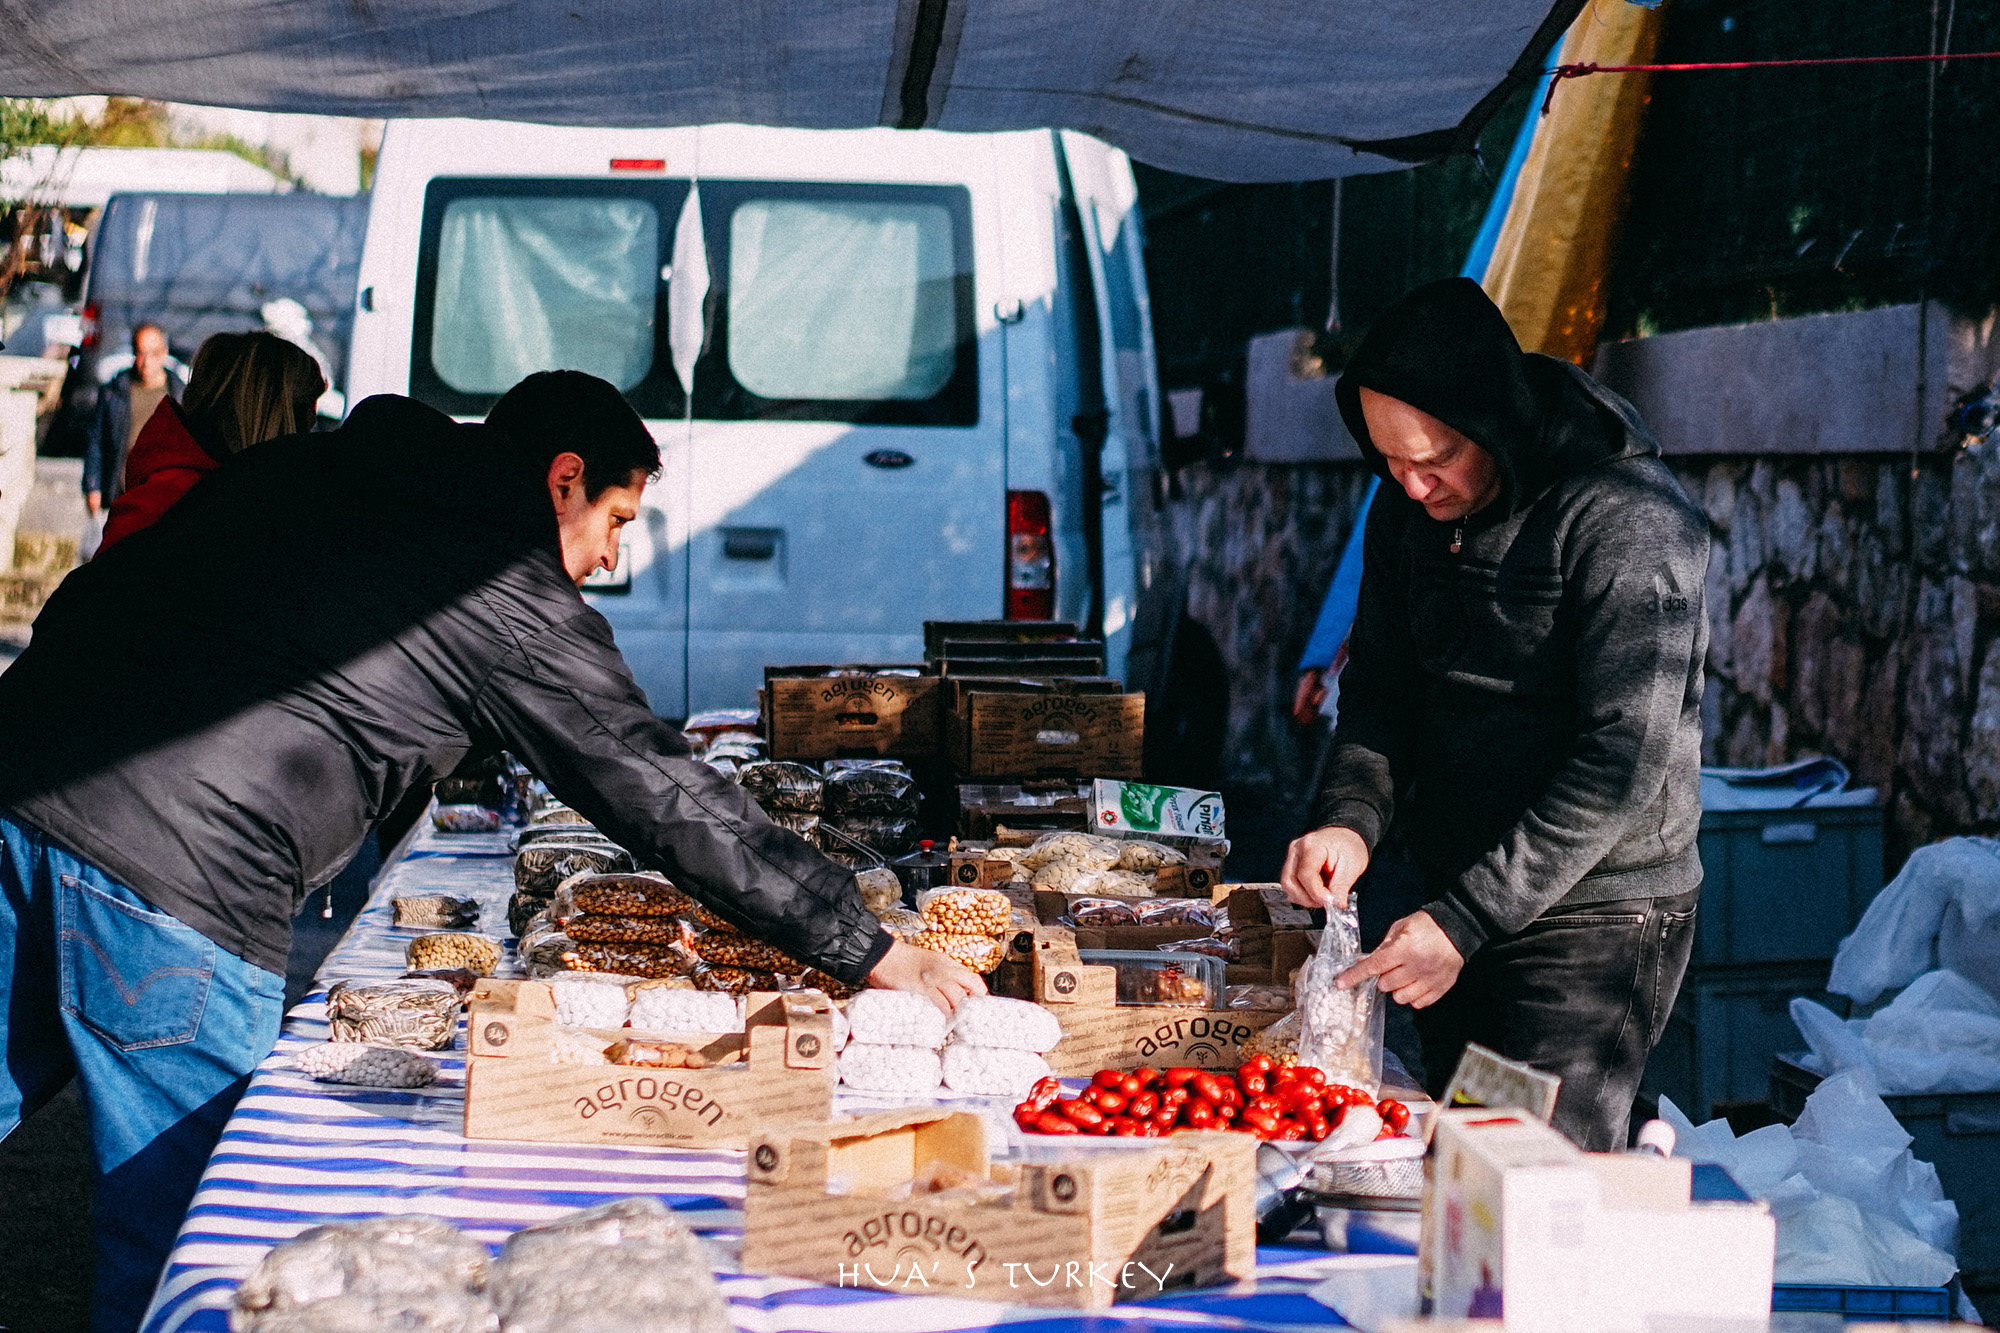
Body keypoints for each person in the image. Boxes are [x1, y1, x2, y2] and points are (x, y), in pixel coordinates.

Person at [0, 370, 983, 1331]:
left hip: (21, 779)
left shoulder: (312, 467)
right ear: (562, 480)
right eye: (615, 521)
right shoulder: (504, 589)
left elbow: (117, 579)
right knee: (188, 1237)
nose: (608, 556)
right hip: (178, 874)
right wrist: (872, 947)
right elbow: (658, 787)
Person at [1278, 278, 1709, 1151]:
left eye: (1434, 459)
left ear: (1493, 424)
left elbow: (1624, 759)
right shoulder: (1405, 506)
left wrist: (1467, 920)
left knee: (1532, 1177)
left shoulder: (1625, 517)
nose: (1412, 483)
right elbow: (1383, 691)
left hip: (1594, 917)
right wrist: (1348, 819)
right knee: (1456, 1161)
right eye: (1389, 460)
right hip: (1453, 893)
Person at [100, 331, 327, 552]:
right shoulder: (167, 507)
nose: (312, 424)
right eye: (304, 411)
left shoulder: (256, 505)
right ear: (270, 416)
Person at [82, 323, 186, 518]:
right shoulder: (114, 392)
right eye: (140, 353)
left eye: (153, 354)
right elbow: (96, 442)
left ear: (164, 353)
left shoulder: (180, 395)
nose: (146, 362)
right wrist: (92, 485)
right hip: (123, 495)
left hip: (166, 499)